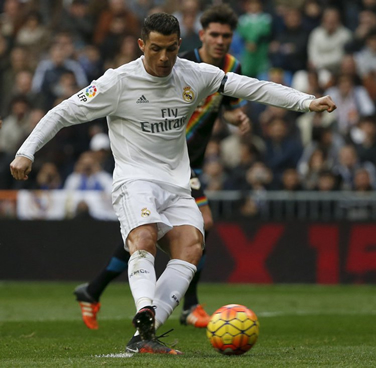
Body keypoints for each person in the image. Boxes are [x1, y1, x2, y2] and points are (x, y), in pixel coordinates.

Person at [10, 12, 336, 355]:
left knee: (192, 245)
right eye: (155, 49)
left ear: (180, 45)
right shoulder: (117, 82)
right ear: (141, 46)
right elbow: (61, 112)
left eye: (170, 49)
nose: (163, 58)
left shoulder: (195, 74)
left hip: (177, 183)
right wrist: (26, 152)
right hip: (134, 179)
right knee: (144, 236)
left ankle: (144, 334)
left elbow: (251, 87)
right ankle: (144, 309)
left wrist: (306, 102)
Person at [73, 4, 250, 331]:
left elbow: (225, 106)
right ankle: (191, 305)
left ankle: (95, 288)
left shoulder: (230, 68)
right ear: (200, 36)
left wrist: (233, 116)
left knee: (155, 232)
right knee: (191, 224)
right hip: (158, 164)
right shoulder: (184, 64)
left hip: (186, 166)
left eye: (226, 35)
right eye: (214, 34)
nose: (221, 41)